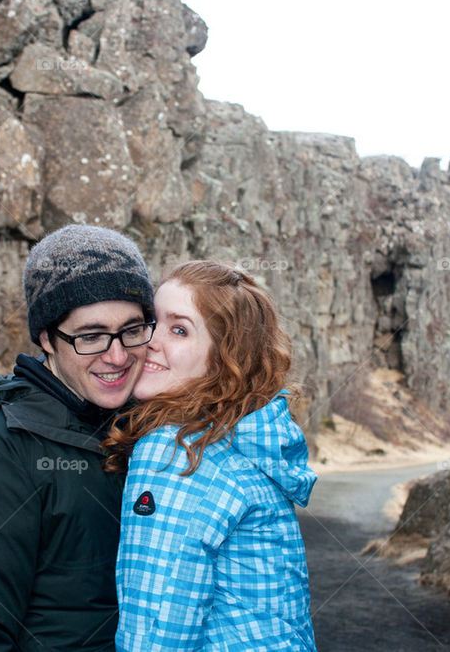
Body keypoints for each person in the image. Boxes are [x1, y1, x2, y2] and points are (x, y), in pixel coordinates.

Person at [0, 224, 155, 651]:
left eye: (132, 330)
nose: (117, 355)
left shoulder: (140, 437)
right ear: (46, 338)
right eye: (90, 336)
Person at [105, 261, 318, 651]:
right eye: (153, 322)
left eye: (180, 329)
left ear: (222, 361)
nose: (150, 340)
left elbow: (158, 626)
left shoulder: (178, 451)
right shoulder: (243, 444)